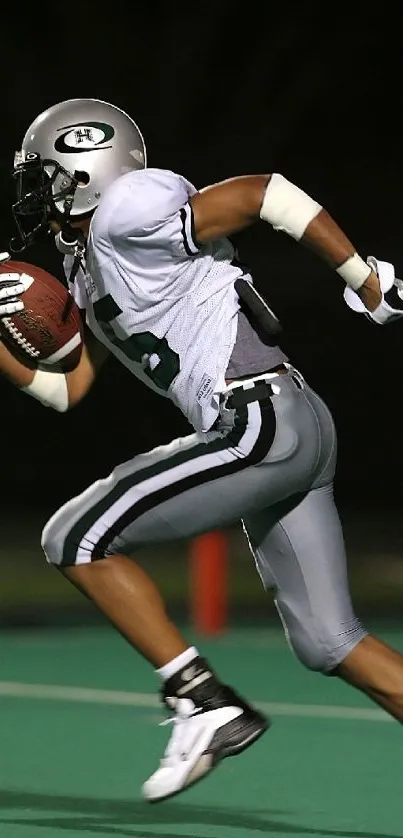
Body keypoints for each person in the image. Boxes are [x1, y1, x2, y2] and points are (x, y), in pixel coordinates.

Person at [1, 98, 403, 804]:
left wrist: (363, 278)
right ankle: (203, 700)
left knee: (75, 536)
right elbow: (66, 392)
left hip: (257, 421)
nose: (37, 193)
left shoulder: (130, 207)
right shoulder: (92, 266)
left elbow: (263, 194)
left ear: (90, 168)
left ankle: (201, 700)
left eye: (48, 176)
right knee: (330, 644)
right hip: (289, 424)